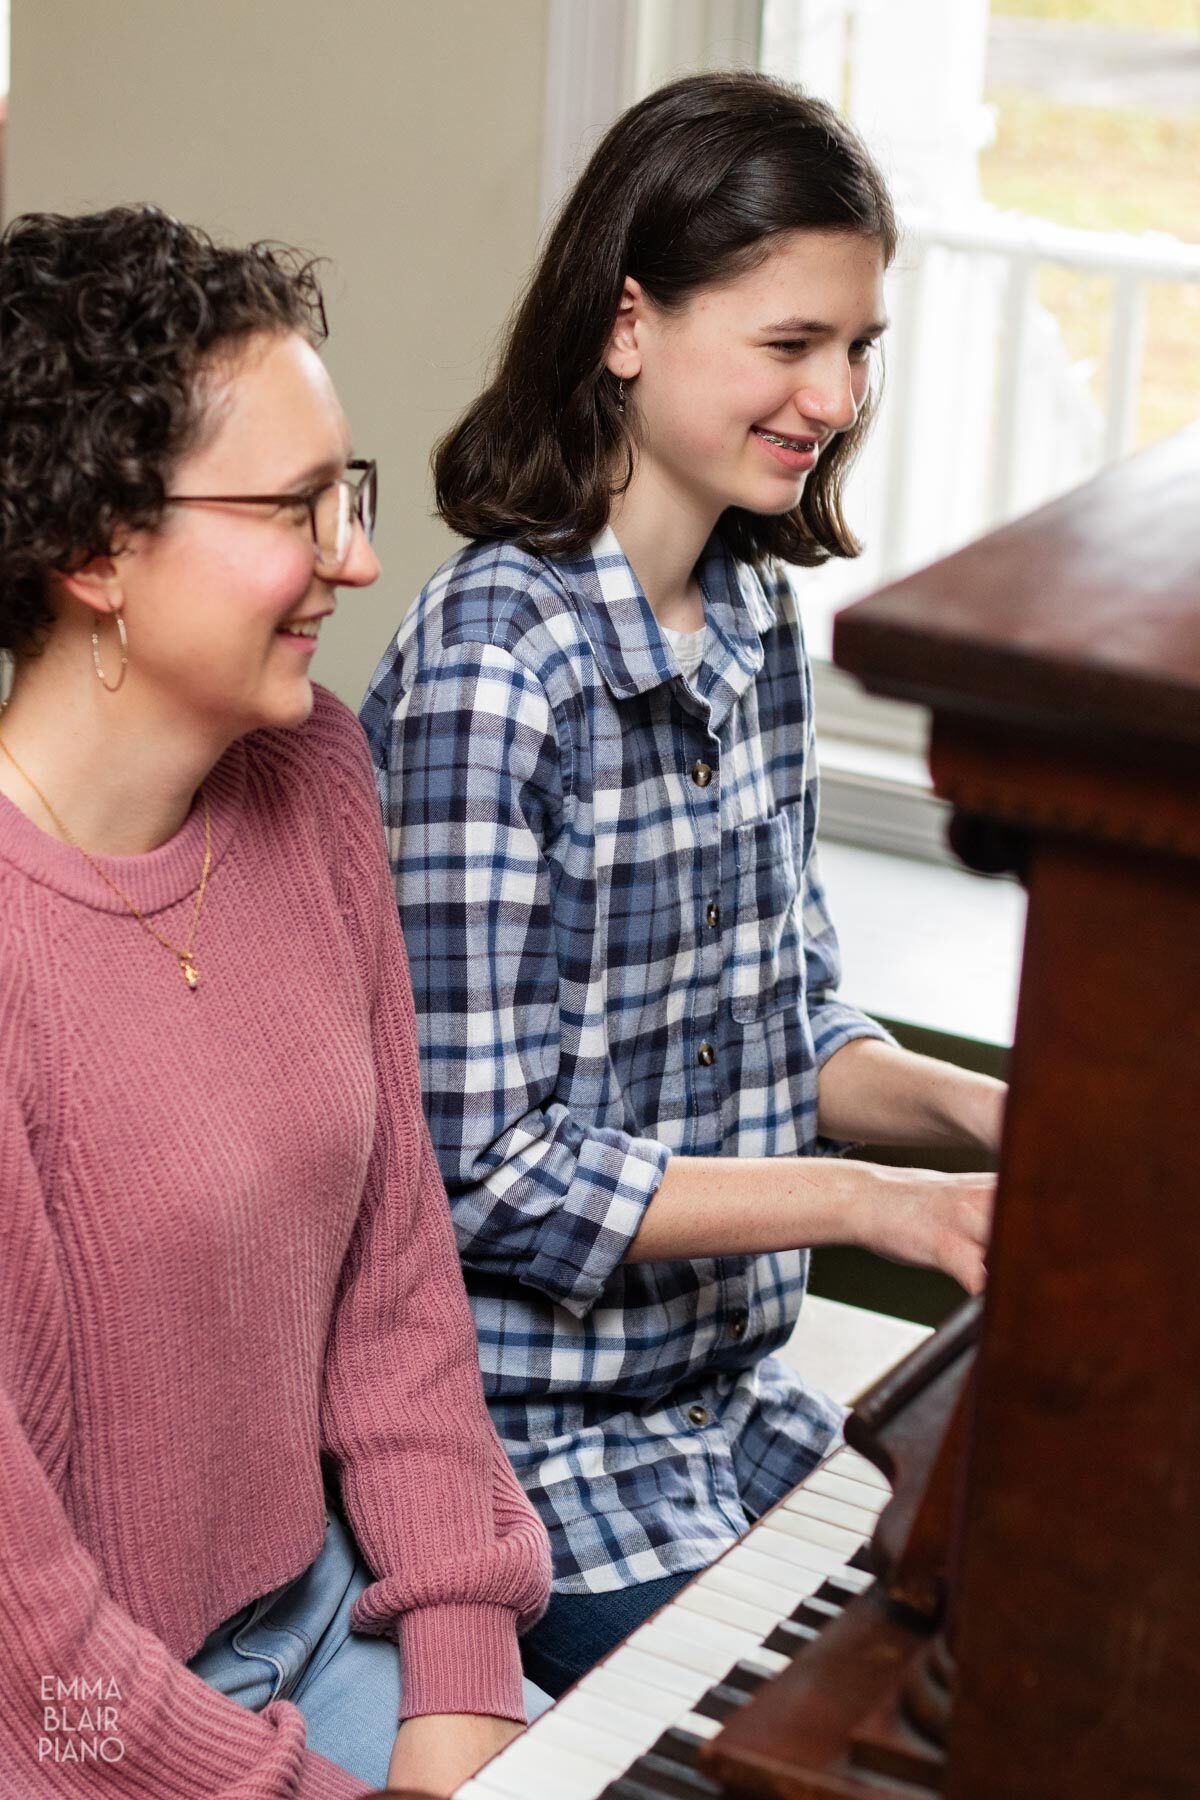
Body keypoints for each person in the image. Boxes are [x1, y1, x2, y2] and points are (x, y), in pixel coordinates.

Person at [360, 71, 1003, 1700]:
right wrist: (873, 1204)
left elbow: (794, 1024)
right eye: (789, 346)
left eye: (858, 349)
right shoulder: (497, 665)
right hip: (533, 1471)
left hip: (733, 1410)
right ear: (629, 324)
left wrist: (1010, 1116)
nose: (836, 395)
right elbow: (484, 1170)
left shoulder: (751, 621)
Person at [0, 204, 551, 1799]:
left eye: (348, 493)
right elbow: (33, 1666)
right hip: (82, 1733)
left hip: (329, 1622)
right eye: (297, 506)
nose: (358, 557)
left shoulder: (313, 776)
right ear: (96, 550)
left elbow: (397, 1288)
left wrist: (460, 1663)